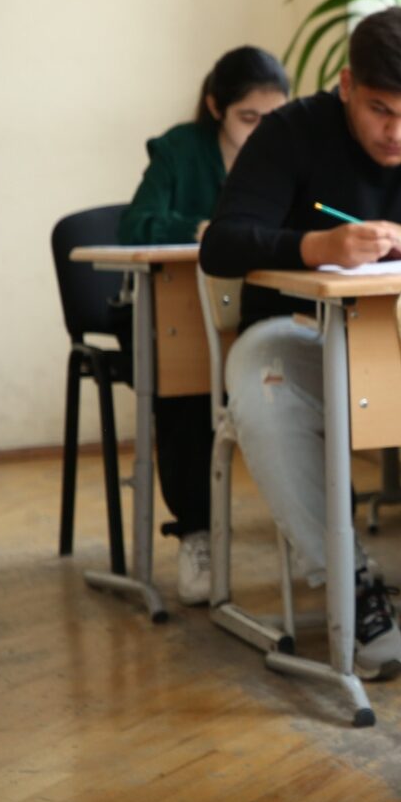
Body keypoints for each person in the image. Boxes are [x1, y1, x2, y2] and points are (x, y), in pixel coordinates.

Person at [199, 7, 401, 679]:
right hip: (297, 338)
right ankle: (350, 585)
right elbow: (222, 243)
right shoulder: (290, 132)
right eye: (380, 110)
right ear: (346, 85)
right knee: (262, 386)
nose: (399, 132)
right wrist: (316, 247)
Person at [118, 46, 289, 605]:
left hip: (263, 303)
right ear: (216, 107)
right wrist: (202, 229)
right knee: (188, 390)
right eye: (248, 118)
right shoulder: (179, 149)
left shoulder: (292, 148)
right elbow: (136, 224)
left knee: (306, 377)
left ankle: (319, 532)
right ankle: (196, 532)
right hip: (181, 310)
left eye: (272, 118)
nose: (261, 131)